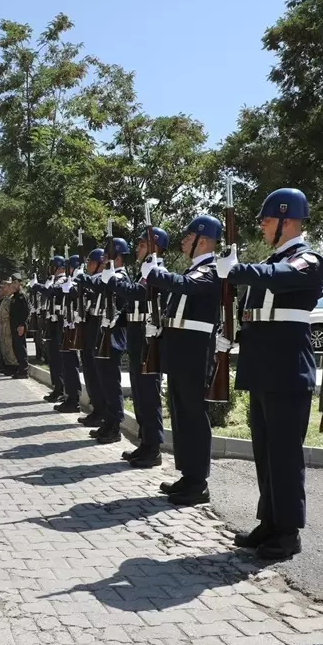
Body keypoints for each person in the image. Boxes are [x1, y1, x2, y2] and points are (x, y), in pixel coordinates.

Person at [216, 188, 323, 560]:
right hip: (263, 367)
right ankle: (270, 521)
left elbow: (278, 278)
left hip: (286, 368)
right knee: (264, 452)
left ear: (288, 220)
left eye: (267, 219)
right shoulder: (274, 259)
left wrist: (238, 269)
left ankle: (289, 530)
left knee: (284, 455)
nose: (261, 224)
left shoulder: (306, 258)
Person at [145, 216, 223, 506]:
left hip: (195, 351)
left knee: (193, 416)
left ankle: (198, 481)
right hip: (180, 350)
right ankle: (188, 475)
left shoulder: (210, 270)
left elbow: (186, 286)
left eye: (188, 237)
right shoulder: (194, 269)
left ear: (202, 240)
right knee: (180, 414)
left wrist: (155, 273)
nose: (183, 241)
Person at [115, 227, 169, 469]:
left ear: (155, 247)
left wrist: (116, 284)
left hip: (149, 341)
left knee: (148, 394)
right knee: (139, 393)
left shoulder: (159, 272)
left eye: (142, 245)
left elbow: (139, 294)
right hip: (137, 338)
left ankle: (154, 448)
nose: (137, 249)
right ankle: (146, 443)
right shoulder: (145, 273)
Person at [93, 238, 131, 446]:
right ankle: (108, 422)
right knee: (104, 381)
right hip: (104, 332)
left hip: (114, 336)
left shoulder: (121, 277)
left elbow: (122, 304)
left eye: (108, 255)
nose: (104, 258)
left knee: (111, 382)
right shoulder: (110, 276)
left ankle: (115, 426)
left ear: (117, 256)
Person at [74, 249, 107, 429]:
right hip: (88, 325)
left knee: (96, 371)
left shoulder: (103, 279)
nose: (87, 266)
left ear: (100, 264)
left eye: (90, 263)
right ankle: (97, 409)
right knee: (88, 369)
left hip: (98, 326)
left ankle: (102, 411)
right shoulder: (92, 280)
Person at [54, 255, 84, 414]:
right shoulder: (71, 280)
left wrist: (71, 289)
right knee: (66, 364)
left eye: (68, 268)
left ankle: (74, 399)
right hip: (68, 323)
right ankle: (70, 397)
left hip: (75, 326)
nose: (66, 271)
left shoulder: (80, 280)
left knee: (71, 364)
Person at [42, 256, 67, 403]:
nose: (50, 270)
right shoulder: (52, 280)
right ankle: (56, 387)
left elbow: (50, 292)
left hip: (60, 321)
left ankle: (61, 388)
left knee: (59, 358)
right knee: (52, 357)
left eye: (53, 267)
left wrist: (47, 285)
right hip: (51, 321)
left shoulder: (63, 280)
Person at [8, 274, 30, 379]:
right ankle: (20, 369)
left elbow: (26, 311)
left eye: (15, 282)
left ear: (19, 283)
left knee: (21, 348)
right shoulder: (15, 296)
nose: (14, 284)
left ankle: (24, 371)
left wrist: (22, 325)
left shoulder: (22, 295)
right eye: (13, 282)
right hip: (14, 325)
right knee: (16, 348)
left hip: (19, 326)